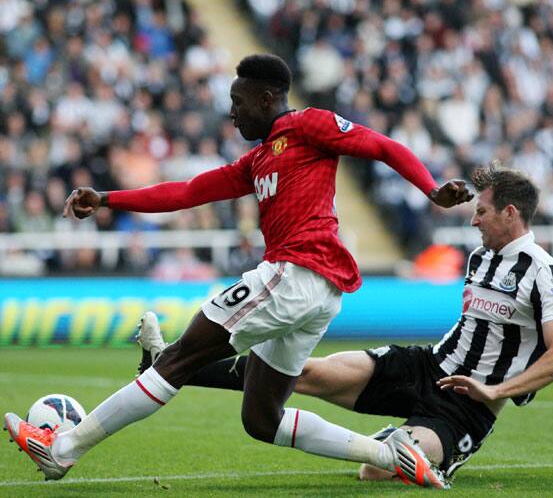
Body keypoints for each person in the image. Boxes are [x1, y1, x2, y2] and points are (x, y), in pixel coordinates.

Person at [4, 54, 472, 488]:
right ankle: (392, 454)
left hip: (296, 274)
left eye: (237, 101)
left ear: (266, 98)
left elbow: (381, 145)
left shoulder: (310, 124)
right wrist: (108, 199)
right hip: (317, 292)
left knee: (178, 358)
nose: (232, 113)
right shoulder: (257, 161)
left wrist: (430, 189)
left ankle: (62, 449)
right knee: (262, 418)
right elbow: (186, 192)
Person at [136, 164, 553, 485]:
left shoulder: (545, 273)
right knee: (302, 373)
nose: (473, 218)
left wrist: (496, 392)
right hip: (425, 367)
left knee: (376, 471)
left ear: (510, 213)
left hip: (467, 407)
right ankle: (169, 363)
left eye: (482, 211)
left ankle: (420, 448)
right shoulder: (481, 256)